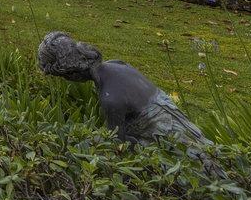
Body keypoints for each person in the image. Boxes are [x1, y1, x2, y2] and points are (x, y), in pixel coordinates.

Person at [37, 31, 208, 147]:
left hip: (166, 137)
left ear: (71, 72)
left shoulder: (111, 99)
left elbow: (116, 143)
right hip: (178, 120)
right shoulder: (117, 63)